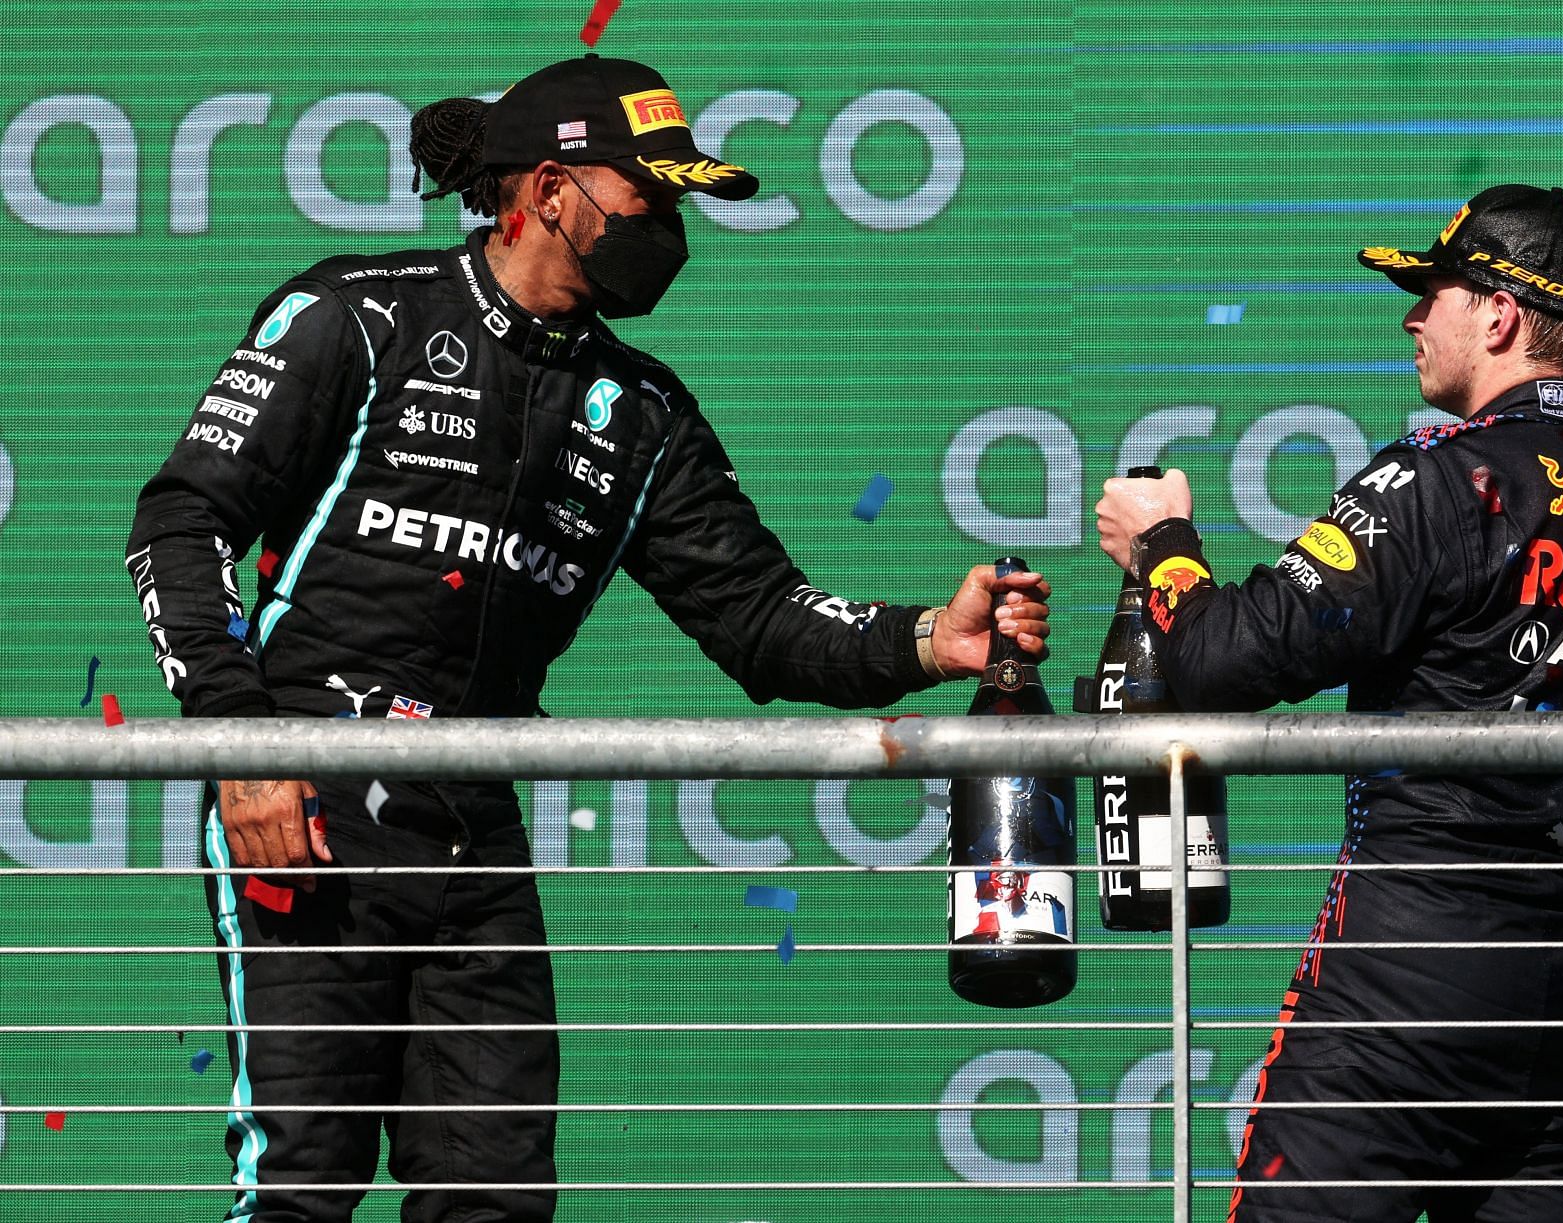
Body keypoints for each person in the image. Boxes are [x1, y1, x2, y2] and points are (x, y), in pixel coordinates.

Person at [126, 54, 1049, 1222]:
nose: (668, 231)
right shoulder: (358, 312)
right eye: (649, 200)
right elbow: (180, 521)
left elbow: (762, 622)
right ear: (552, 188)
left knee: (498, 1199)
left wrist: (934, 639)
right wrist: (243, 747)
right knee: (301, 1188)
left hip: (476, 822)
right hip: (307, 808)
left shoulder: (644, 410)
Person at [1096, 184, 1563, 1222]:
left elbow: (1225, 660)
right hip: (1561, 1024)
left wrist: (1161, 544)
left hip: (1396, 990)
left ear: (1500, 316)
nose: (1412, 315)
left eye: (1435, 291)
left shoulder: (1439, 481)